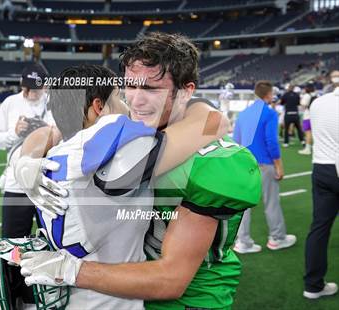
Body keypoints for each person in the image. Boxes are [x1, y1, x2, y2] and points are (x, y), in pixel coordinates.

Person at [18, 32, 261, 310]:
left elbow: (172, 279)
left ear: (186, 91)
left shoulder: (213, 161)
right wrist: (26, 161)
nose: (135, 100)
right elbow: (51, 133)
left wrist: (72, 271)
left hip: (188, 300)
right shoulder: (128, 128)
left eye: (150, 88)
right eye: (130, 86)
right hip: (129, 291)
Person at [0, 63, 55, 307]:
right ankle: (15, 296)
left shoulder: (56, 103)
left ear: (45, 86)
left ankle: (48, 294)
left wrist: (48, 132)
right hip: (16, 185)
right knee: (13, 244)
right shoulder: (10, 103)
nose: (29, 93)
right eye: (25, 87)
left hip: (49, 184)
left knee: (53, 241)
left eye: (34, 89)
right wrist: (14, 134)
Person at [233, 80, 296, 253]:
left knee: (243, 206)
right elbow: (271, 142)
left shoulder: (244, 113)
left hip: (245, 165)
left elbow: (236, 141)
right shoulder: (269, 113)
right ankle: (277, 238)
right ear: (268, 95)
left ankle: (243, 242)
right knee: (272, 203)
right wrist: (279, 165)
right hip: (264, 164)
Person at [303, 76, 339, 299]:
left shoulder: (318, 102)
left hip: (322, 168)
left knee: (319, 229)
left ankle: (313, 285)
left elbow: (309, 128)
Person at [298, 82, 317, 155]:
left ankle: (307, 149)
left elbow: (303, 105)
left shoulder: (306, 95)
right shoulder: (315, 95)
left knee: (308, 133)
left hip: (308, 116)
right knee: (312, 133)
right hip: (314, 116)